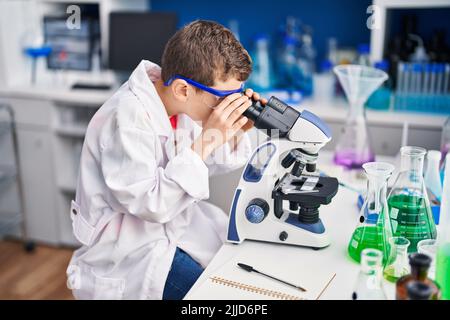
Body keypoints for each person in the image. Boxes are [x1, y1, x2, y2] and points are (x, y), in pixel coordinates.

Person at [66, 20, 267, 300]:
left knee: (236, 270)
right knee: (215, 296)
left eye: (236, 95)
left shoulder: (180, 101)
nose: (227, 106)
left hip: (177, 228)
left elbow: (203, 162)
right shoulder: (127, 118)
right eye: (224, 98)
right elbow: (151, 203)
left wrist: (232, 132)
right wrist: (209, 136)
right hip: (131, 250)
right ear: (184, 89)